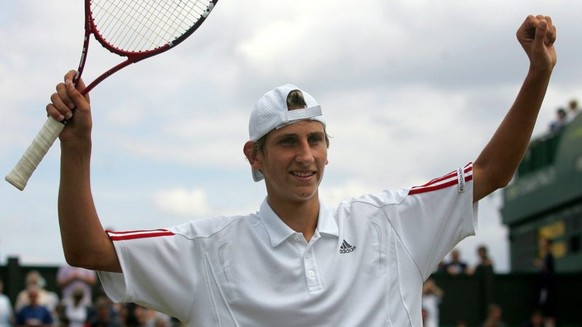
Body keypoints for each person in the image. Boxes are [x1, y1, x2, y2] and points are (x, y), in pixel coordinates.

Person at [45, 15, 557, 326]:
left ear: (329, 151)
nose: (305, 155)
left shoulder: (391, 222)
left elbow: (491, 171)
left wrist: (538, 73)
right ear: (255, 157)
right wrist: (79, 148)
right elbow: (87, 249)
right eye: (287, 142)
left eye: (315, 140)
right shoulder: (206, 251)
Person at [534, 237, 557, 327]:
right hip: (545, 289)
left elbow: (548, 272)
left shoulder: (549, 256)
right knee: (545, 314)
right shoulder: (545, 257)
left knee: (549, 314)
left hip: (548, 289)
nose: (541, 243)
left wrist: (540, 265)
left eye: (543, 242)